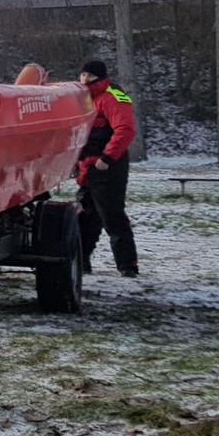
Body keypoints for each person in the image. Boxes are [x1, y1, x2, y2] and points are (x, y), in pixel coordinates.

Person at [76, 59, 138, 277]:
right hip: (88, 166)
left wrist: (107, 158)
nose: (84, 79)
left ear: (99, 77)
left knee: (112, 216)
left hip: (108, 166)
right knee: (85, 216)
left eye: (88, 76)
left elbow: (126, 130)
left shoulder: (112, 97)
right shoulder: (85, 97)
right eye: (82, 75)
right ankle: (80, 261)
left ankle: (127, 265)